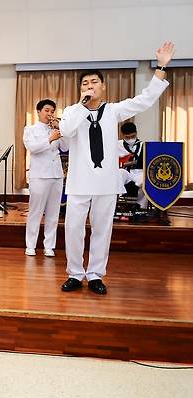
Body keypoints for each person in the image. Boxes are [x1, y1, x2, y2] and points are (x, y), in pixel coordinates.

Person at [59, 41, 175, 295]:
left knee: (102, 229)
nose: (89, 87)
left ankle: (96, 274)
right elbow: (65, 132)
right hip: (79, 182)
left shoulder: (113, 111)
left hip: (105, 182)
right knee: (73, 229)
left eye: (93, 83)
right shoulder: (72, 111)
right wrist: (80, 105)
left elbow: (144, 100)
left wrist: (160, 67)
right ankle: (75, 274)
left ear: (103, 86)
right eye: (84, 84)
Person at [23, 99, 68, 257]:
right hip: (39, 175)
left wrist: (61, 132)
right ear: (39, 112)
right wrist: (50, 138)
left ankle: (49, 246)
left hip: (56, 175)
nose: (50, 114)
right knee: (36, 212)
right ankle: (31, 245)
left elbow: (66, 147)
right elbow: (33, 149)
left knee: (53, 213)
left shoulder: (55, 129)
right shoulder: (30, 129)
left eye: (52, 111)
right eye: (47, 110)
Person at [117, 121, 148, 208]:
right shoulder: (117, 145)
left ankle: (141, 207)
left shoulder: (144, 145)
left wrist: (130, 162)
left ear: (136, 133)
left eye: (133, 136)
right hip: (126, 172)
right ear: (122, 135)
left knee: (146, 181)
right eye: (127, 137)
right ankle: (119, 202)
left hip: (139, 172)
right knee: (119, 173)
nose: (130, 139)